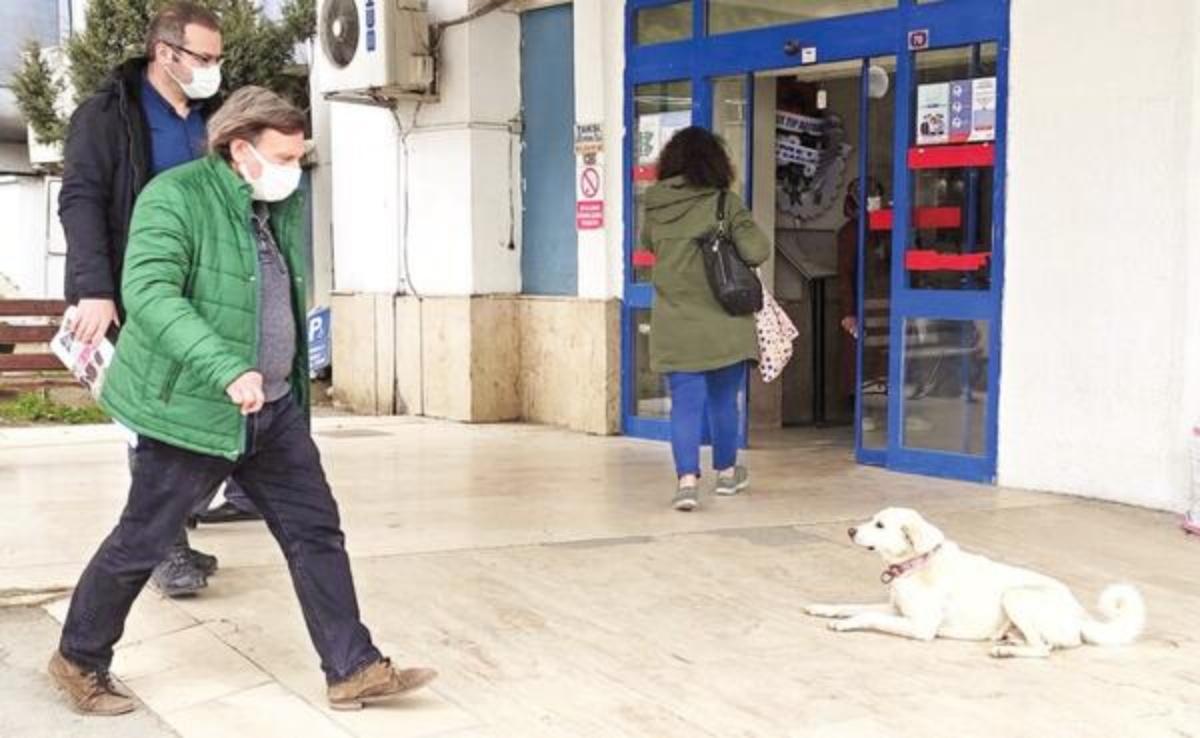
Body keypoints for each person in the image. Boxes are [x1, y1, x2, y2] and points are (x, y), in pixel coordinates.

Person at [48, 87, 438, 716]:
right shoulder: (173, 198)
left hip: (272, 408)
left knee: (315, 532)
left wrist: (276, 379)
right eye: (284, 155)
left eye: (299, 155)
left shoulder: (270, 202)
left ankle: (353, 667)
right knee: (143, 540)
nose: (295, 167)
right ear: (239, 149)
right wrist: (227, 368)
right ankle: (78, 658)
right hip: (191, 411)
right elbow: (149, 293)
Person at [59, 1, 260, 598]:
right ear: (165, 53)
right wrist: (95, 288)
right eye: (204, 57)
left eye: (218, 58)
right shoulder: (106, 116)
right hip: (139, 290)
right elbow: (81, 200)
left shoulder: (210, 120)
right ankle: (162, 548)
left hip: (208, 291)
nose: (213, 69)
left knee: (195, 412)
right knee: (152, 419)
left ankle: (168, 530)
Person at [641, 127, 771, 512]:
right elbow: (758, 250)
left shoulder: (655, 203)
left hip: (674, 323)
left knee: (684, 405)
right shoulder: (724, 203)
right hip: (724, 323)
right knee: (722, 403)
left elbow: (649, 244)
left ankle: (686, 482)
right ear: (716, 163)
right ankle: (728, 474)